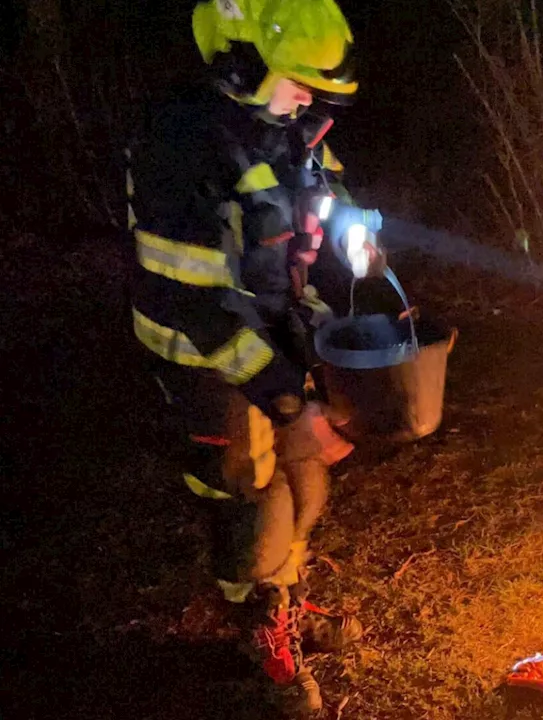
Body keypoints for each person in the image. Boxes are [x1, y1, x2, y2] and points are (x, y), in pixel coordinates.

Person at [127, 0, 381, 714]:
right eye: (297, 81)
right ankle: (258, 620)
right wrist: (287, 400)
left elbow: (326, 198)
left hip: (275, 335)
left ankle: (284, 594)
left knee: (308, 484)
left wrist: (354, 242)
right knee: (253, 498)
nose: (309, 99)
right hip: (208, 355)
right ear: (240, 63)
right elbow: (197, 302)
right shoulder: (182, 142)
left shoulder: (290, 128)